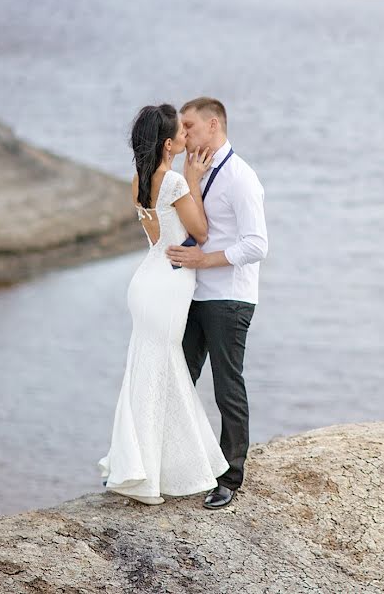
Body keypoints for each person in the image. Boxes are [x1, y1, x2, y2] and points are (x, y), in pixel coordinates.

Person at [97, 104, 230, 505]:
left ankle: (145, 468)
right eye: (182, 133)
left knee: (148, 373)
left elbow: (159, 236)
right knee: (163, 371)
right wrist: (192, 179)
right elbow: (201, 232)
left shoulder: (138, 179)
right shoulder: (172, 181)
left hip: (147, 282)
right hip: (168, 285)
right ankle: (152, 475)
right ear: (170, 143)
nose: (189, 137)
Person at [166, 97, 268, 509]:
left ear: (213, 125)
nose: (183, 134)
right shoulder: (197, 170)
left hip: (230, 297)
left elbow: (257, 244)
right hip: (194, 293)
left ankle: (230, 477)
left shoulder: (241, 177)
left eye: (188, 126)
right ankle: (176, 466)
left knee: (227, 386)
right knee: (179, 377)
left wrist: (205, 260)